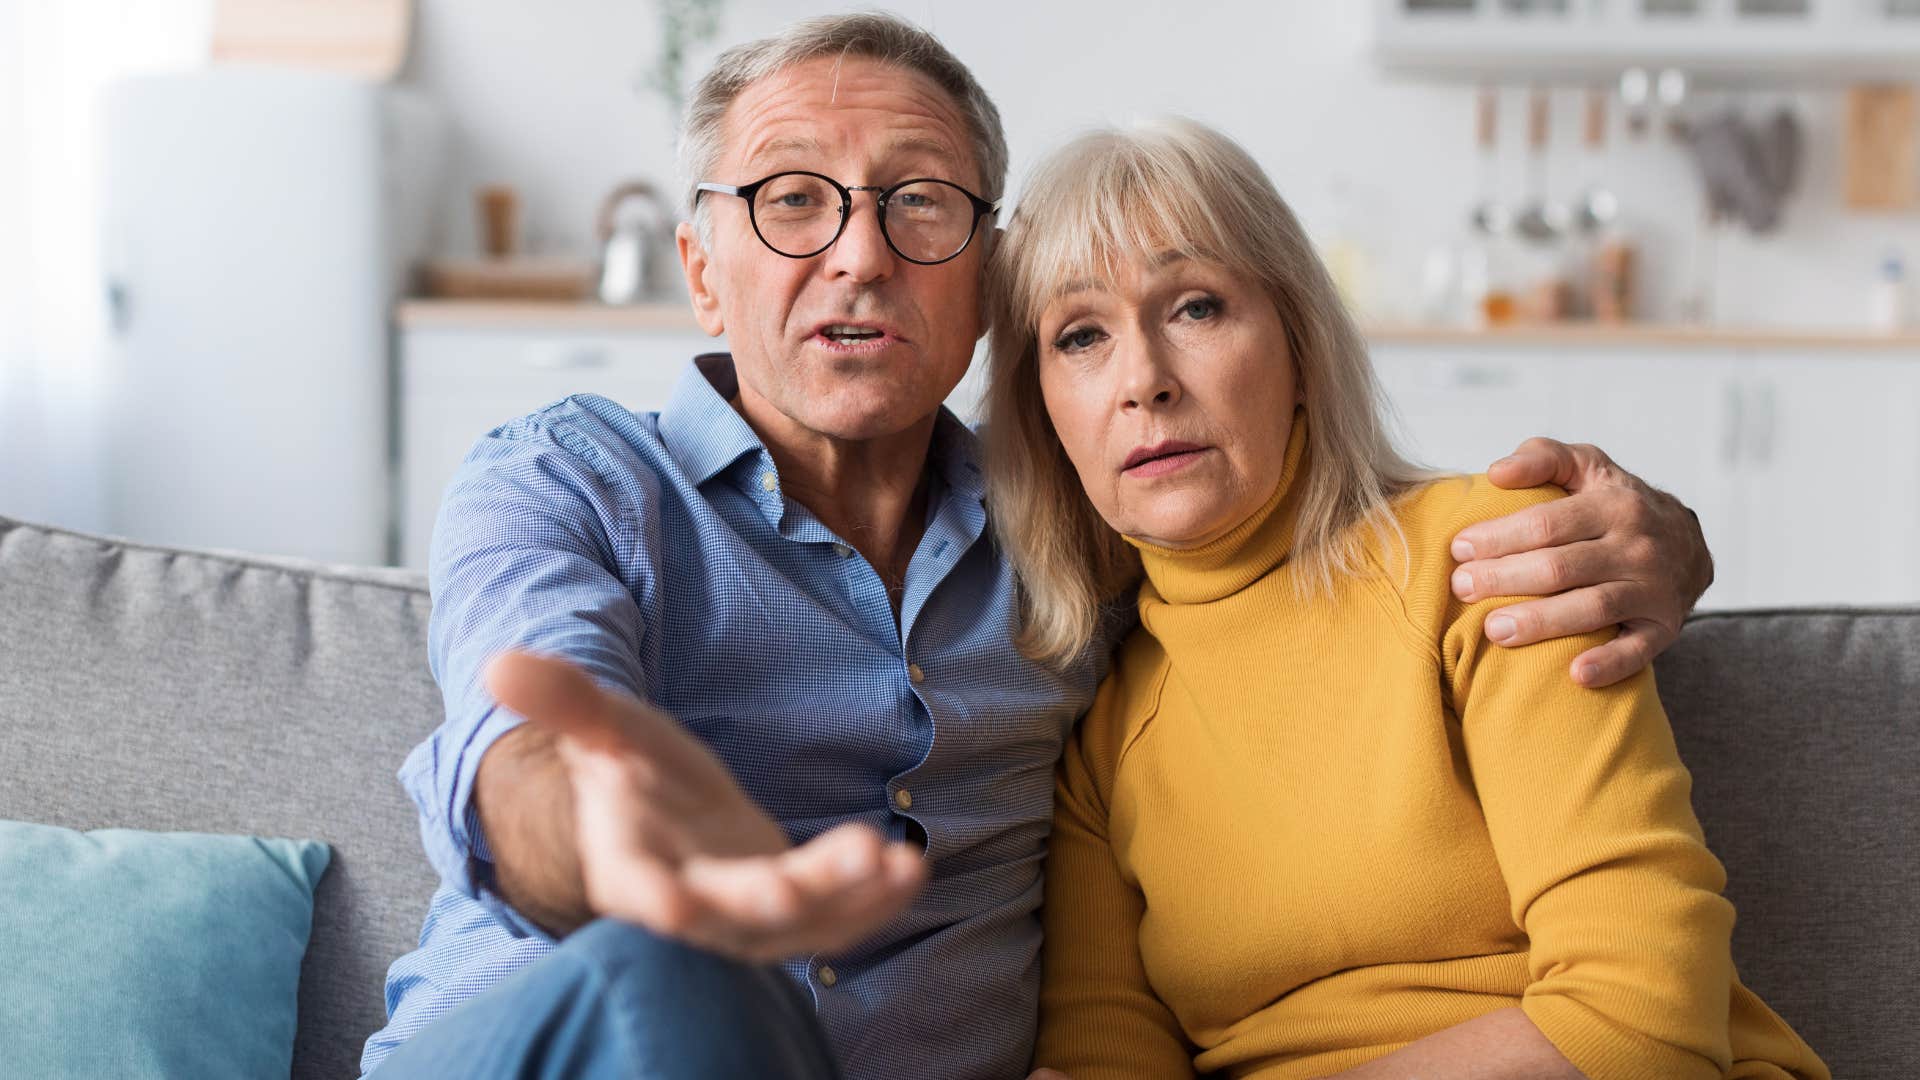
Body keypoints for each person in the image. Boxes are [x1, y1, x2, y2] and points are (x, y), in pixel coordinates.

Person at [361, 14, 1720, 1079]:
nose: (858, 257)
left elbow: (1295, 568)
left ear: (984, 286)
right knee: (673, 978)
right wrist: (622, 849)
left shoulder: (1079, 559)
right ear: (704, 266)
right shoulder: (565, 483)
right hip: (572, 1036)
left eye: (921, 205)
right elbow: (522, 749)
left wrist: (1664, 542)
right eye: (790, 201)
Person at [981, 117, 1828, 1080]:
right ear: (1043, 413)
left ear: (1299, 347)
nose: (1143, 381)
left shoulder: (1495, 560)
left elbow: (1639, 1020)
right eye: (1080, 335)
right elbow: (1106, 1060)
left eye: (1197, 308)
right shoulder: (1101, 733)